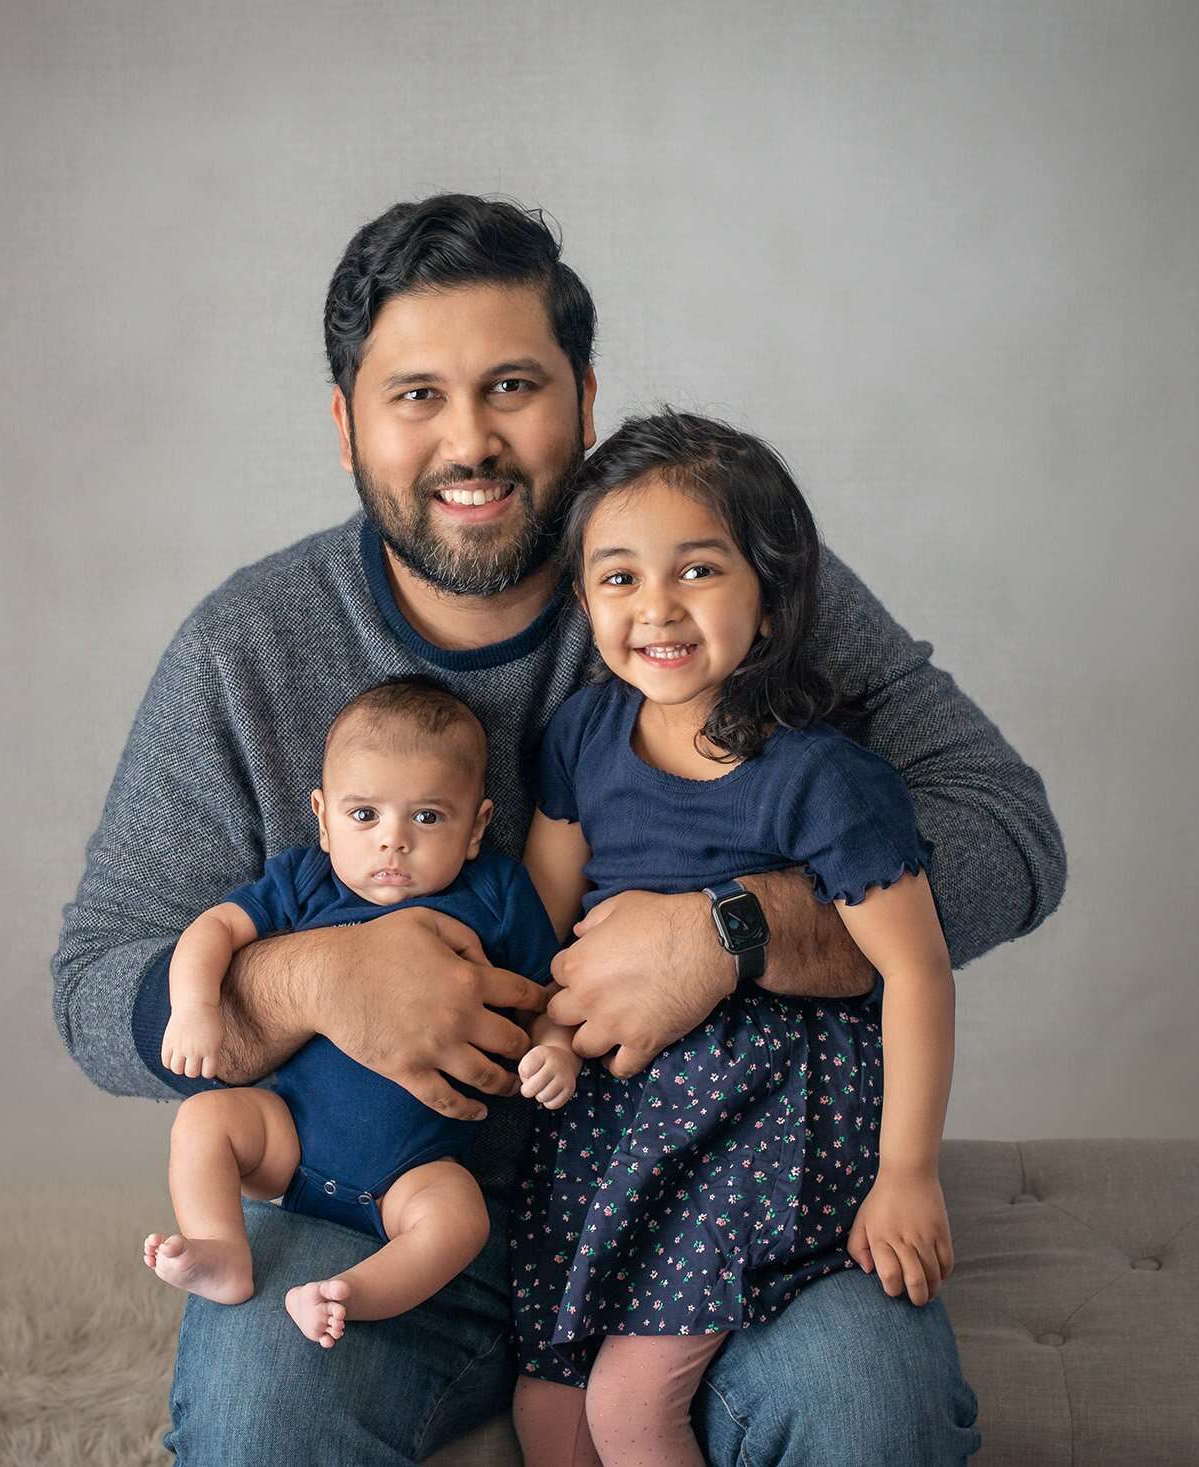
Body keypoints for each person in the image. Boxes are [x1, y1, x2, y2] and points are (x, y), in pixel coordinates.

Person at [52, 193, 1066, 1465]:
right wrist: (312, 975)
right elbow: (95, 988)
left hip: (716, 1186)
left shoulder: (708, 580)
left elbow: (1007, 833)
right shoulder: (244, 651)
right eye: (414, 394)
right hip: (382, 1211)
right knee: (257, 1416)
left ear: (585, 401)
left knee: (867, 1409)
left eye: (512, 386)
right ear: (345, 424)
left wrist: (735, 933)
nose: (467, 441)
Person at [507, 412, 958, 1467]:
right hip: (618, 1116)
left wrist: (908, 1173)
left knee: (628, 1408)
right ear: (581, 598)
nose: (654, 608)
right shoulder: (582, 738)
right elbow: (542, 919)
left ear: (768, 595)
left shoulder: (821, 780)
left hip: (763, 1117)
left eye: (696, 570)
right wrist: (544, 1034)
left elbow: (916, 971)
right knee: (547, 1410)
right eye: (617, 578)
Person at [141, 678, 568, 1349]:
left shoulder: (497, 894)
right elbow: (214, 928)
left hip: (415, 1168)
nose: (391, 842)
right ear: (322, 815)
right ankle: (221, 1248)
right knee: (204, 1119)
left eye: (427, 817)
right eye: (364, 815)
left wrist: (554, 1049)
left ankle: (349, 1294)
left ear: (477, 824)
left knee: (461, 1221)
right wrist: (195, 1006)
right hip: (291, 1139)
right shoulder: (308, 881)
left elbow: (545, 993)